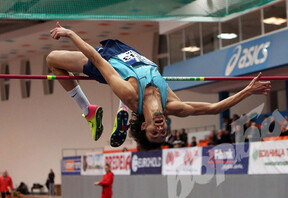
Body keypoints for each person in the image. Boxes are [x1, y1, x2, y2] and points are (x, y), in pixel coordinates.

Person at [48, 22, 272, 151]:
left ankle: (88, 111)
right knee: (129, 96)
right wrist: (247, 90)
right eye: (162, 133)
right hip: (130, 53)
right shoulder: (173, 105)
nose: (160, 130)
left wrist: (70, 33)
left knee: (52, 60)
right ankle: (117, 112)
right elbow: (215, 108)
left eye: (154, 133)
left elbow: (98, 60)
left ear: (144, 126)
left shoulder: (129, 94)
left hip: (107, 61)